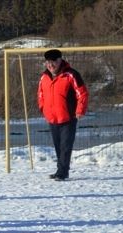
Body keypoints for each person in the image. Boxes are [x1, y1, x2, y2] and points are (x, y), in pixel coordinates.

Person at [38, 49, 89, 181]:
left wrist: (80, 110)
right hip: (52, 118)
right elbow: (40, 94)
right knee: (58, 146)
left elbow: (82, 93)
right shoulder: (44, 77)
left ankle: (63, 172)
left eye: (53, 62)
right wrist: (43, 109)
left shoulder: (71, 74)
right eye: (48, 62)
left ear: (60, 60)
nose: (51, 65)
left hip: (68, 117)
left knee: (65, 146)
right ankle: (60, 170)